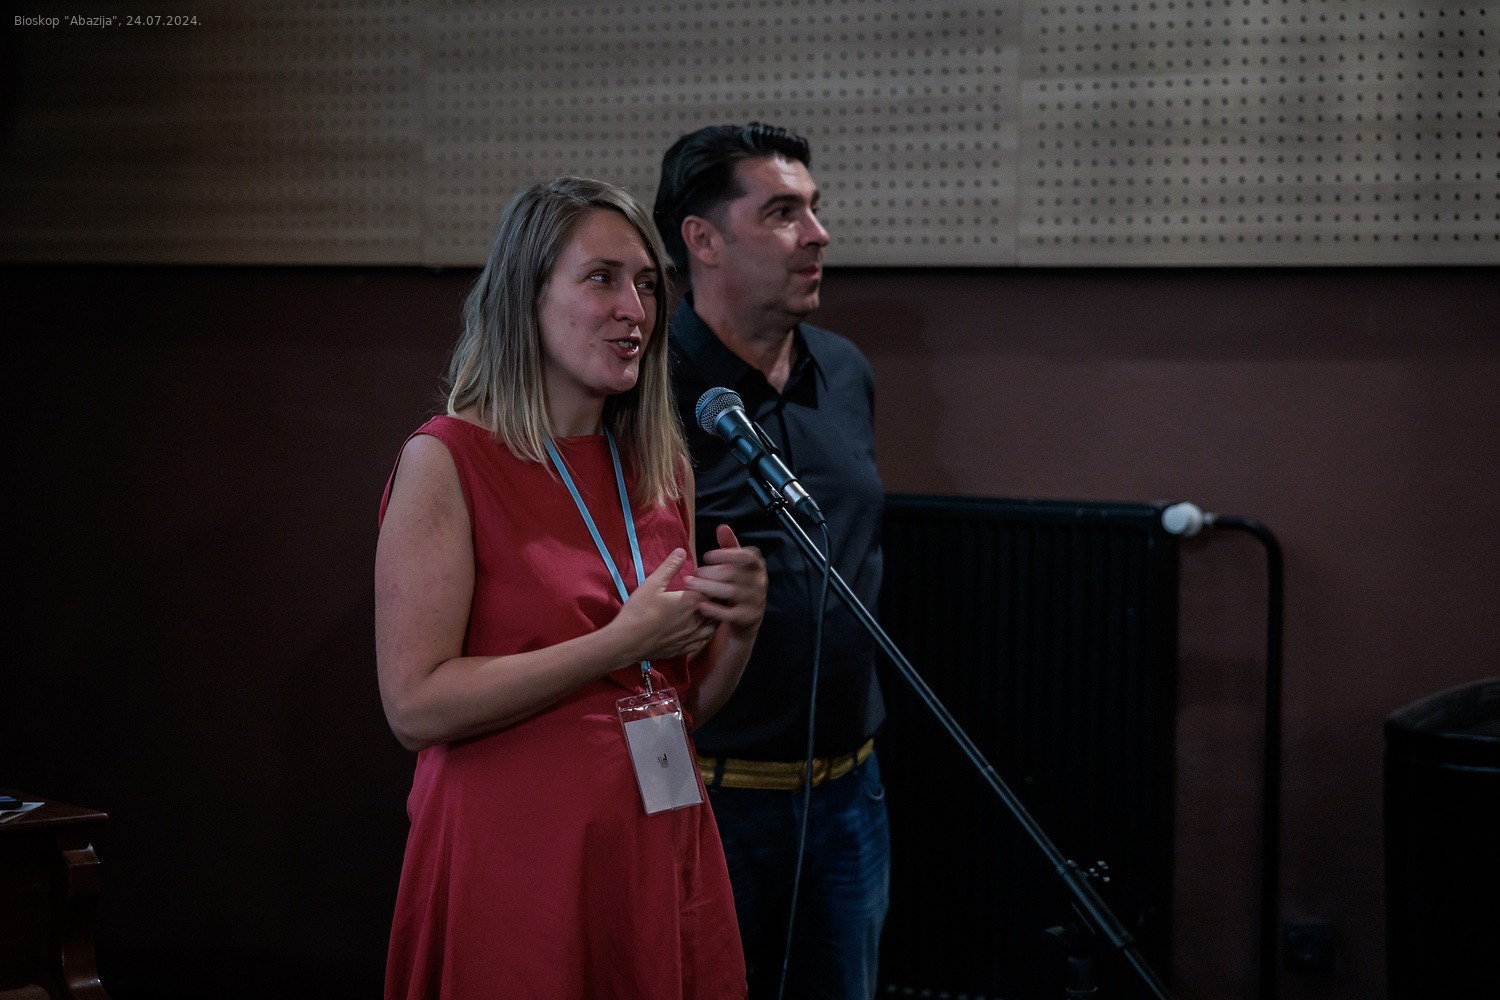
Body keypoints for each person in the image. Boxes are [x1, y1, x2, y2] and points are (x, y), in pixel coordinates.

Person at [374, 175, 767, 1000]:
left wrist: (738, 631)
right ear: (526, 297)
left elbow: (677, 703)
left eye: (647, 285)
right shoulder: (447, 460)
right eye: (601, 279)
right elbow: (416, 706)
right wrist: (618, 643)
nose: (635, 310)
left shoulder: (662, 468)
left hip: (653, 838)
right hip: (518, 858)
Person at [653, 124, 890, 999]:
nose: (818, 235)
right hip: (711, 793)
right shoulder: (644, 394)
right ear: (703, 239)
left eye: (814, 210)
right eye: (783, 213)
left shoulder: (846, 371)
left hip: (850, 794)